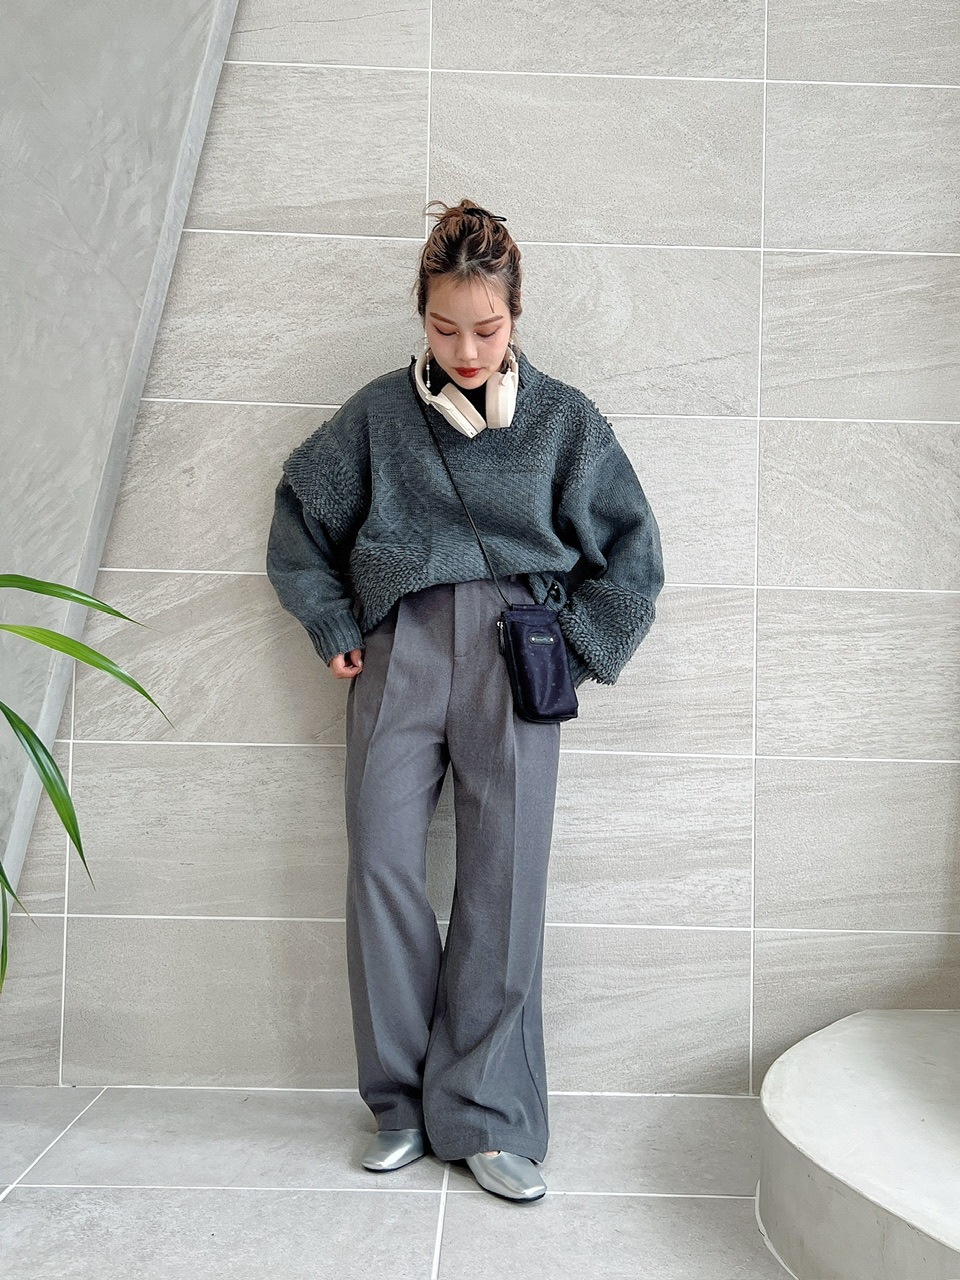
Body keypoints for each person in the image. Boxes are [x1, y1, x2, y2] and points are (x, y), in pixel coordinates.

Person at [265, 198, 664, 1203]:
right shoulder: (377, 416)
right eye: (446, 329)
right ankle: (402, 1104)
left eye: (486, 329)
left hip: (519, 651)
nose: (468, 350)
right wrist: (331, 618)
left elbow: (634, 558)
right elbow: (300, 513)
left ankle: (487, 1114)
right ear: (423, 315)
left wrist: (573, 653)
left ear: (516, 314)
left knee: (504, 879)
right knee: (382, 865)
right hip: (399, 648)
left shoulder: (566, 422)